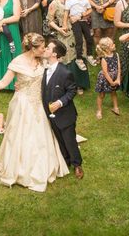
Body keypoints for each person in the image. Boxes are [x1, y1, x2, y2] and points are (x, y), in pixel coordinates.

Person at [0, 33, 70, 191]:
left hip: (39, 103)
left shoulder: (43, 60)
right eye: (42, 48)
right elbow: (2, 83)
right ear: (33, 49)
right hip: (22, 104)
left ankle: (42, 164)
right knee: (20, 134)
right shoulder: (17, 62)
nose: (45, 50)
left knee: (41, 135)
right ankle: (19, 167)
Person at [43, 38, 83, 178]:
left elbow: (72, 91)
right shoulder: (44, 69)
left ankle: (77, 164)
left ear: (54, 54)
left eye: (48, 48)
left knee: (69, 140)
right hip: (50, 114)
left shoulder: (65, 72)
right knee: (59, 139)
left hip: (65, 115)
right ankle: (65, 160)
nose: (45, 49)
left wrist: (59, 103)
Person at [64, 0, 94, 71]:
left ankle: (89, 55)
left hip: (84, 21)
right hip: (75, 23)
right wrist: (65, 24)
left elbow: (90, 10)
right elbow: (66, 13)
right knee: (79, 40)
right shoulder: (70, 1)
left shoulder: (85, 0)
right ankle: (79, 58)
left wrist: (83, 14)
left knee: (89, 38)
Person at [95, 37, 121, 119]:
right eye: (112, 44)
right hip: (105, 79)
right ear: (107, 49)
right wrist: (111, 82)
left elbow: (119, 67)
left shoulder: (116, 55)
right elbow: (105, 73)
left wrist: (118, 79)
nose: (114, 44)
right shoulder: (104, 59)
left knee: (114, 92)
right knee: (101, 95)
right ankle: (99, 110)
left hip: (114, 77)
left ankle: (116, 108)